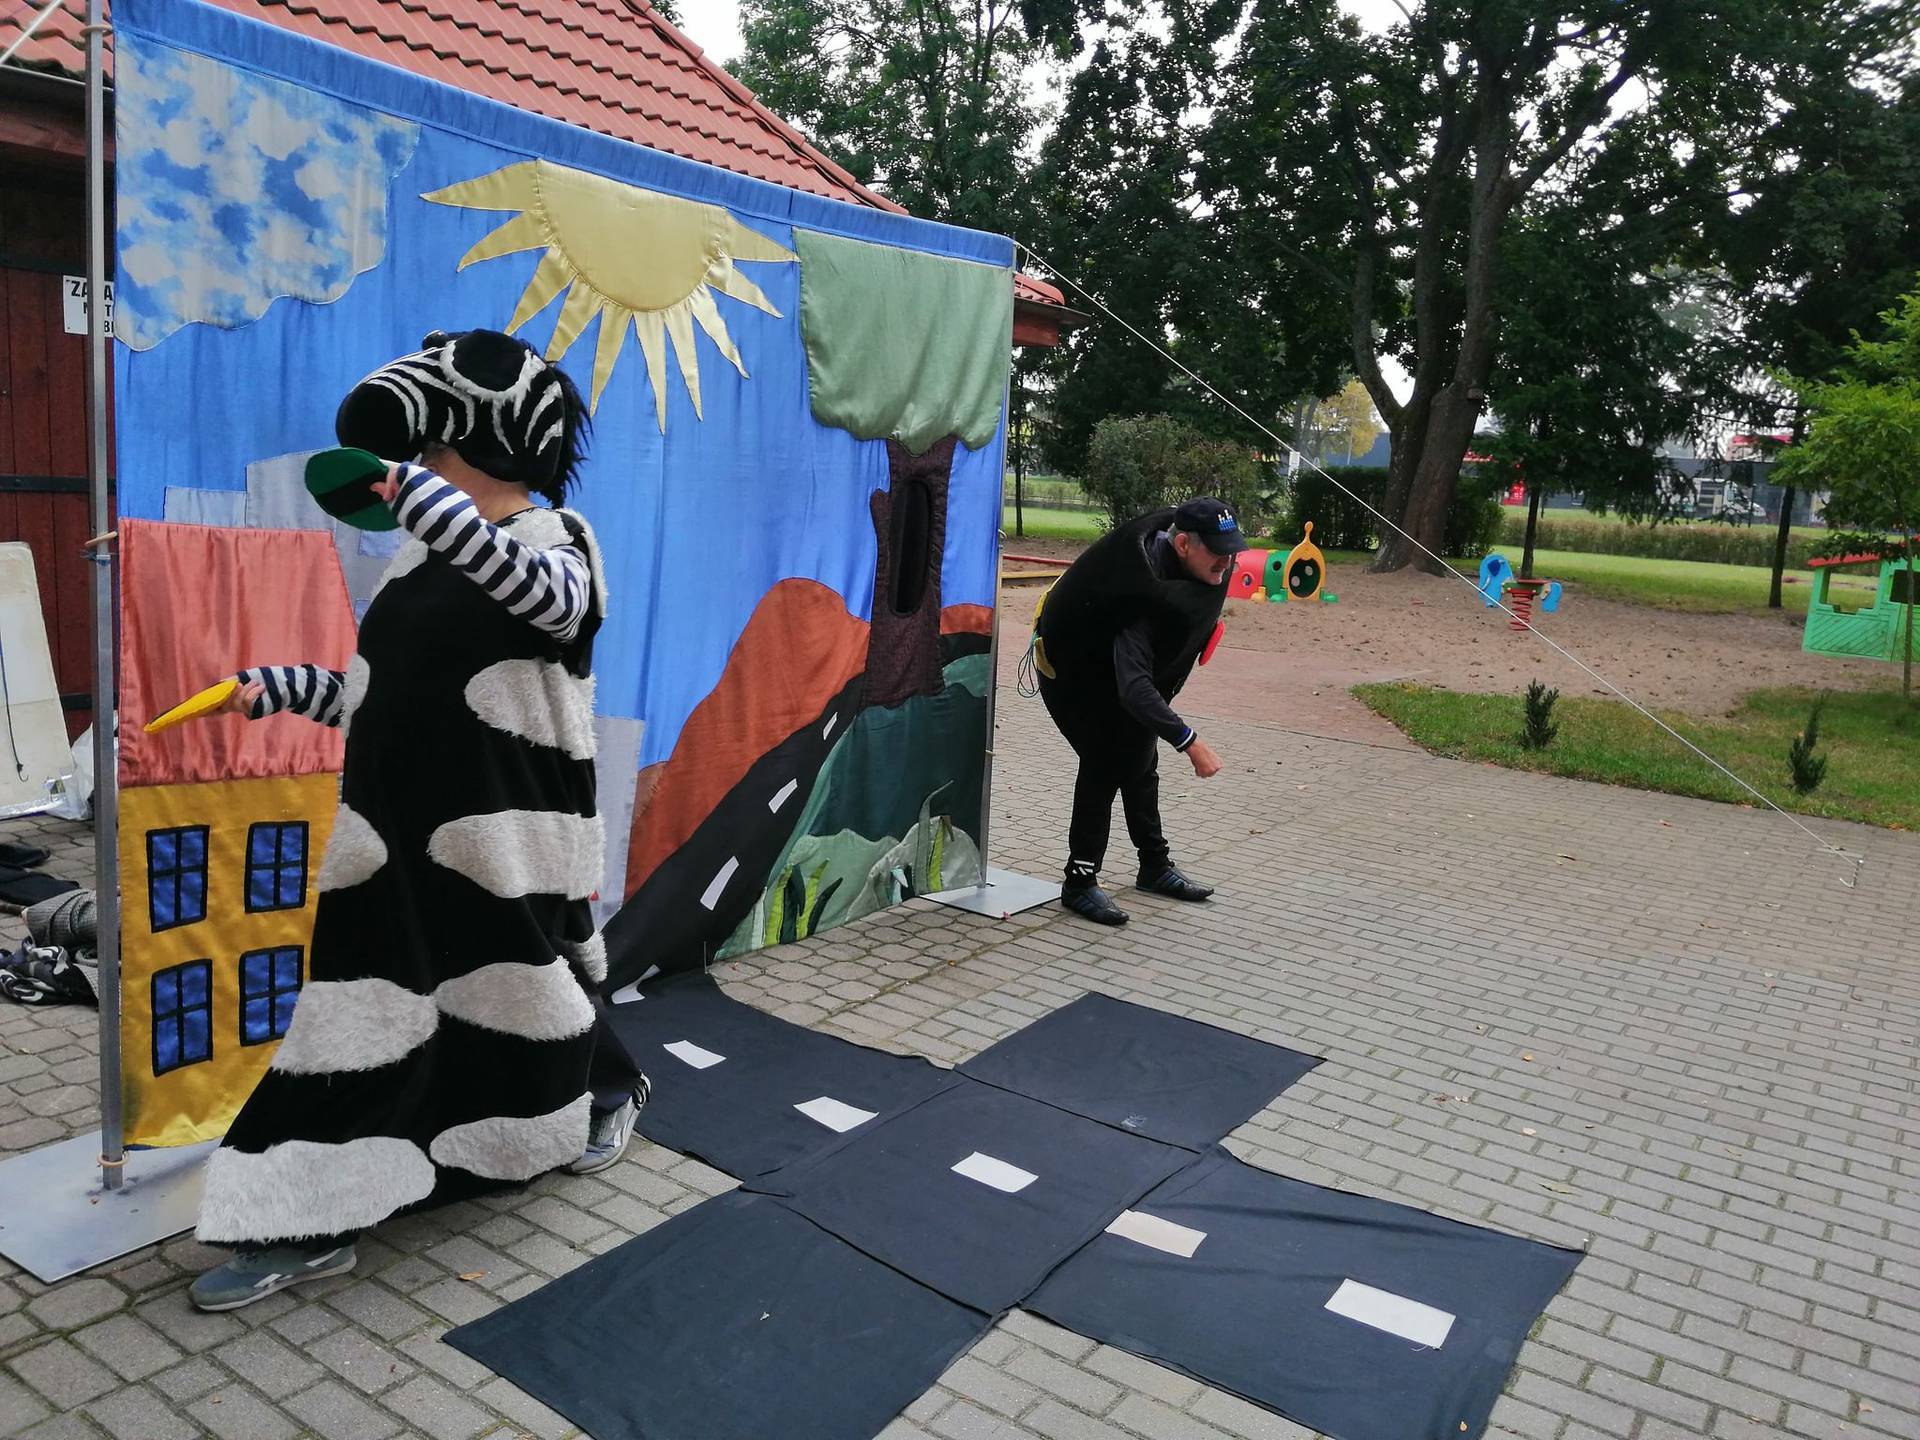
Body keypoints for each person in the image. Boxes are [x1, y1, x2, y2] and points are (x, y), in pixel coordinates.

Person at [188, 330, 649, 1312]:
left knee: (535, 988)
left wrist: (427, 506)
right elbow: (381, 694)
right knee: (359, 1013)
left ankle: (603, 1095)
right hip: (388, 838)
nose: (419, 469)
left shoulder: (556, 541)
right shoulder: (420, 558)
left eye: (433, 451)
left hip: (508, 834)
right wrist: (285, 688)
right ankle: (299, 1216)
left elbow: (557, 607)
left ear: (490, 443)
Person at [1032, 496, 1245, 925]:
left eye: (1232, 553)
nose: (1226, 564)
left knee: (1141, 761)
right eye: (1217, 553)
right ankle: (1079, 881)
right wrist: (1190, 742)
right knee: (1105, 762)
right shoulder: (1136, 594)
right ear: (1183, 544)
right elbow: (1134, 689)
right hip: (1076, 678)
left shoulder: (1190, 570)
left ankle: (1154, 866)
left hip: (1121, 679)